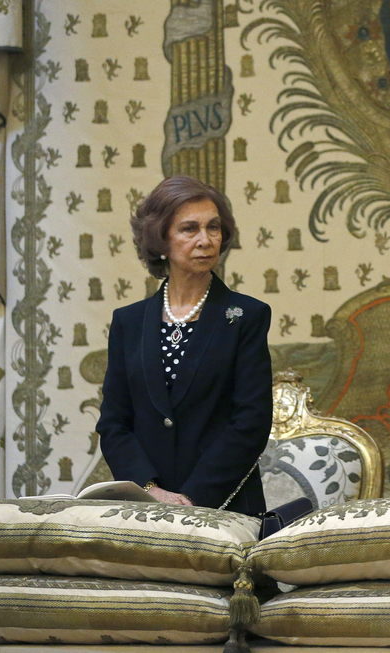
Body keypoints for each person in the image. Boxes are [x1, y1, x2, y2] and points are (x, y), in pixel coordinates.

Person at [96, 175, 273, 515]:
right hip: (146, 510)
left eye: (214, 228)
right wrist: (148, 490)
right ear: (161, 239)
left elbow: (250, 422)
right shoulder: (128, 322)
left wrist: (192, 499)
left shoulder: (246, 316)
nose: (206, 240)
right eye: (190, 229)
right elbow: (114, 423)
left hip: (224, 507)